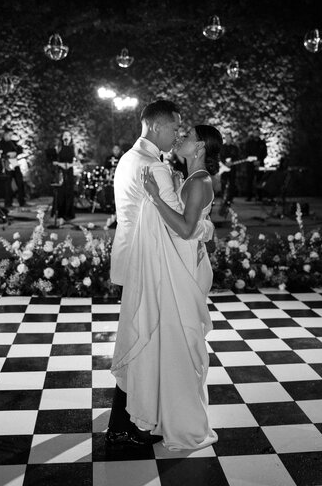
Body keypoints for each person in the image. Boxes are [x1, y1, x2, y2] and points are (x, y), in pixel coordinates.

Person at [105, 100, 215, 449]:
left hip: (138, 261)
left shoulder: (128, 159)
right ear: (156, 127)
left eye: (184, 132)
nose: (177, 135)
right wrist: (203, 230)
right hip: (152, 266)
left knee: (145, 341)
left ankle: (134, 419)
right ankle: (133, 421)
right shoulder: (156, 167)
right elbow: (183, 225)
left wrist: (201, 227)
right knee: (147, 342)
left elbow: (182, 221)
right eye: (173, 128)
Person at [140, 124, 222, 450]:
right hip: (185, 263)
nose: (180, 139)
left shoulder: (200, 181)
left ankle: (187, 423)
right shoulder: (191, 179)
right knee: (176, 342)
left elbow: (187, 230)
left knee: (183, 343)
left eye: (186, 136)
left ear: (200, 146)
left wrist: (156, 198)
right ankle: (173, 413)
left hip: (190, 268)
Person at [0, 128, 27, 209]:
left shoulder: (12, 142)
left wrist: (15, 153)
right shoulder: (0, 143)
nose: (10, 136)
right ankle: (8, 202)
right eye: (9, 135)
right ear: (5, 134)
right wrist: (7, 154)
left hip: (14, 161)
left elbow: (19, 149)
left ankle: (22, 200)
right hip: (6, 162)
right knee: (8, 183)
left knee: (19, 180)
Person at [52, 130, 76, 227]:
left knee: (69, 192)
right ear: (62, 137)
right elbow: (53, 160)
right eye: (65, 135)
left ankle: (68, 214)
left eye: (68, 135)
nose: (66, 137)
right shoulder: (58, 147)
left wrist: (70, 165)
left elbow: (77, 160)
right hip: (61, 172)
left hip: (69, 171)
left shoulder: (73, 147)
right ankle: (60, 214)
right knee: (61, 193)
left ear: (70, 138)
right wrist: (60, 164)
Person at [218, 131, 240, 215]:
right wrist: (224, 163)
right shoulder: (222, 147)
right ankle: (223, 197)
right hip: (224, 168)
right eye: (226, 137)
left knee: (232, 183)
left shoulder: (235, 148)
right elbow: (220, 157)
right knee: (223, 183)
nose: (227, 139)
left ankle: (230, 198)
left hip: (232, 168)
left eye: (229, 137)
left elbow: (237, 156)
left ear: (231, 138)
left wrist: (232, 162)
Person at [244, 129, 268, 201]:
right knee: (250, 180)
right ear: (253, 134)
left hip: (260, 164)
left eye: (257, 133)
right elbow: (246, 153)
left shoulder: (262, 143)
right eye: (255, 133)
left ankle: (260, 196)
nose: (256, 134)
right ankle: (249, 197)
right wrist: (253, 161)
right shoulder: (249, 143)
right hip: (251, 165)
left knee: (260, 180)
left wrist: (259, 160)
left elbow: (265, 153)